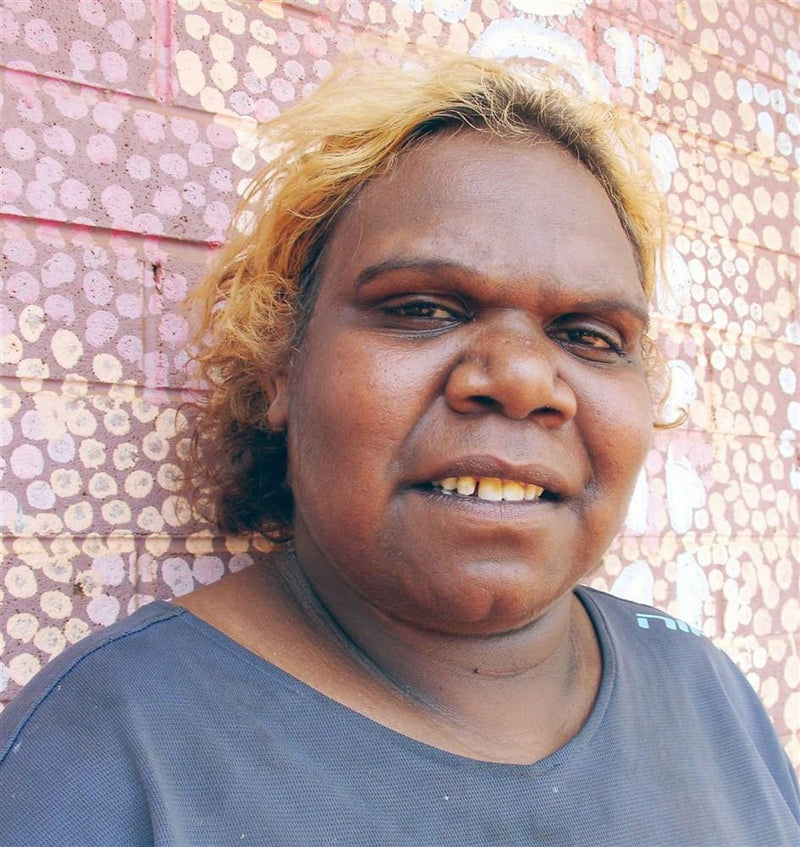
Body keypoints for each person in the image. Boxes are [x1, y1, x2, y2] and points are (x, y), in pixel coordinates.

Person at [1, 57, 798, 846]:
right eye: (422, 307)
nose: (524, 378)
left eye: (590, 336)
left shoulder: (705, 690)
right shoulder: (103, 760)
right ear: (282, 361)